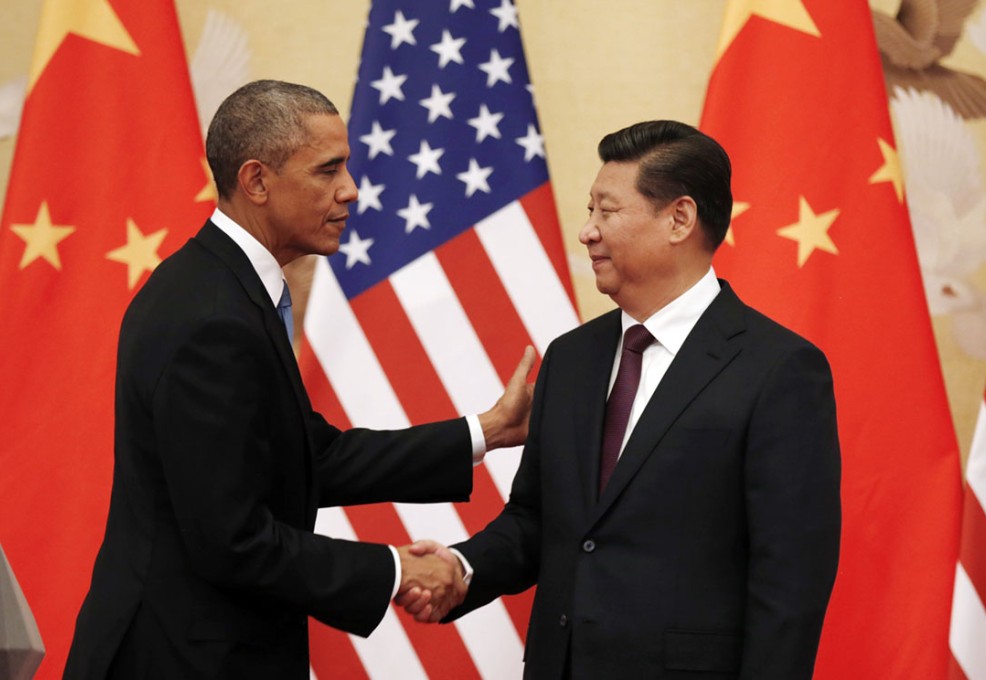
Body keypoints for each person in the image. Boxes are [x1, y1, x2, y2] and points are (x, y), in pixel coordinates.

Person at [63, 80, 534, 680]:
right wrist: (395, 570)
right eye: (327, 170)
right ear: (257, 181)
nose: (351, 190)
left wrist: (487, 431)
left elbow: (314, 457)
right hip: (178, 657)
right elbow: (231, 540)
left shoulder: (226, 290)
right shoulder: (211, 317)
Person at [403, 120, 841, 679]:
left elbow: (791, 579)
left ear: (679, 219)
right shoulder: (570, 358)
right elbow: (540, 519)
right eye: (590, 212)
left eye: (605, 212)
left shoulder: (777, 368)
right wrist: (462, 566)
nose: (586, 231)